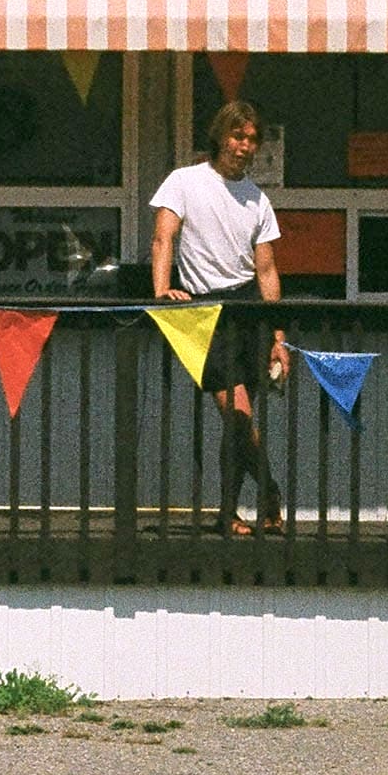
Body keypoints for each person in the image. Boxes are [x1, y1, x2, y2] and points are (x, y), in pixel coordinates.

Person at [150, 99, 292, 535]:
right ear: (220, 136)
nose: (245, 146)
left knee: (238, 421)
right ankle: (267, 490)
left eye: (252, 139)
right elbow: (163, 238)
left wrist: (278, 336)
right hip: (203, 312)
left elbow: (266, 269)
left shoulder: (257, 198)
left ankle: (230, 511)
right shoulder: (184, 181)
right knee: (236, 411)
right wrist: (160, 294)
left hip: (248, 309)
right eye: (237, 136)